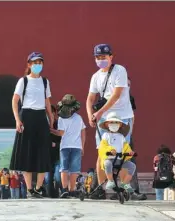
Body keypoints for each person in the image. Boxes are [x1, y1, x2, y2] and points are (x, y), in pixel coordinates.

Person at [86, 44, 134, 199]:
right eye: (98, 58)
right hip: (105, 119)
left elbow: (116, 95)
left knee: (121, 154)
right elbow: (90, 98)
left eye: (104, 57)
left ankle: (121, 188)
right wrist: (90, 114)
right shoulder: (96, 76)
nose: (101, 60)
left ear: (111, 57)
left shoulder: (120, 70)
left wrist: (98, 112)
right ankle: (102, 189)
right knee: (103, 153)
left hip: (122, 116)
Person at [10, 52, 53, 198]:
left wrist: (51, 118)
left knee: (42, 153)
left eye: (40, 62)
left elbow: (47, 102)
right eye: (35, 63)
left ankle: (38, 188)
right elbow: (15, 100)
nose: (38, 65)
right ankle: (29, 189)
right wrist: (17, 119)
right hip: (27, 116)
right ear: (29, 64)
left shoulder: (45, 82)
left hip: (41, 117)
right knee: (27, 153)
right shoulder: (23, 81)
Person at [51, 94, 86, 198]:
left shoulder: (61, 119)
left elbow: (60, 133)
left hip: (65, 146)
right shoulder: (79, 118)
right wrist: (82, 146)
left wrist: (51, 130)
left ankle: (64, 190)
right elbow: (83, 133)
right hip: (77, 146)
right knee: (74, 170)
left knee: (64, 168)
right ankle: (71, 190)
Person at [98, 112, 136, 192]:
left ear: (120, 125)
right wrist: (110, 150)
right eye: (111, 122)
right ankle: (110, 180)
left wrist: (130, 152)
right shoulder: (105, 135)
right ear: (107, 124)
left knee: (132, 166)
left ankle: (125, 183)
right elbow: (102, 147)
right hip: (109, 159)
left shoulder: (121, 136)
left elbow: (126, 147)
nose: (114, 124)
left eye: (116, 122)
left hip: (120, 160)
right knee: (107, 164)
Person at [45, 105, 62, 198]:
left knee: (57, 178)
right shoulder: (43, 127)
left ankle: (56, 195)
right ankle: (50, 196)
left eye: (50, 112)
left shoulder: (59, 125)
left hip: (57, 156)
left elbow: (64, 140)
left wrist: (56, 144)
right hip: (47, 158)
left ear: (55, 113)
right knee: (47, 179)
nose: (48, 114)